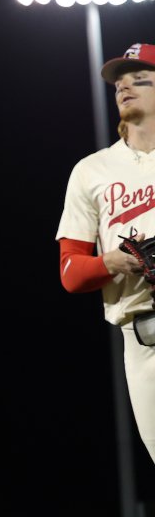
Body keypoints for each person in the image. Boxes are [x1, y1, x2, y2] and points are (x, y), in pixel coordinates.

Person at [56, 41, 155, 464]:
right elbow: (71, 272)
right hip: (144, 337)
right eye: (119, 84)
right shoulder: (92, 170)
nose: (124, 88)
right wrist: (111, 262)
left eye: (139, 79)